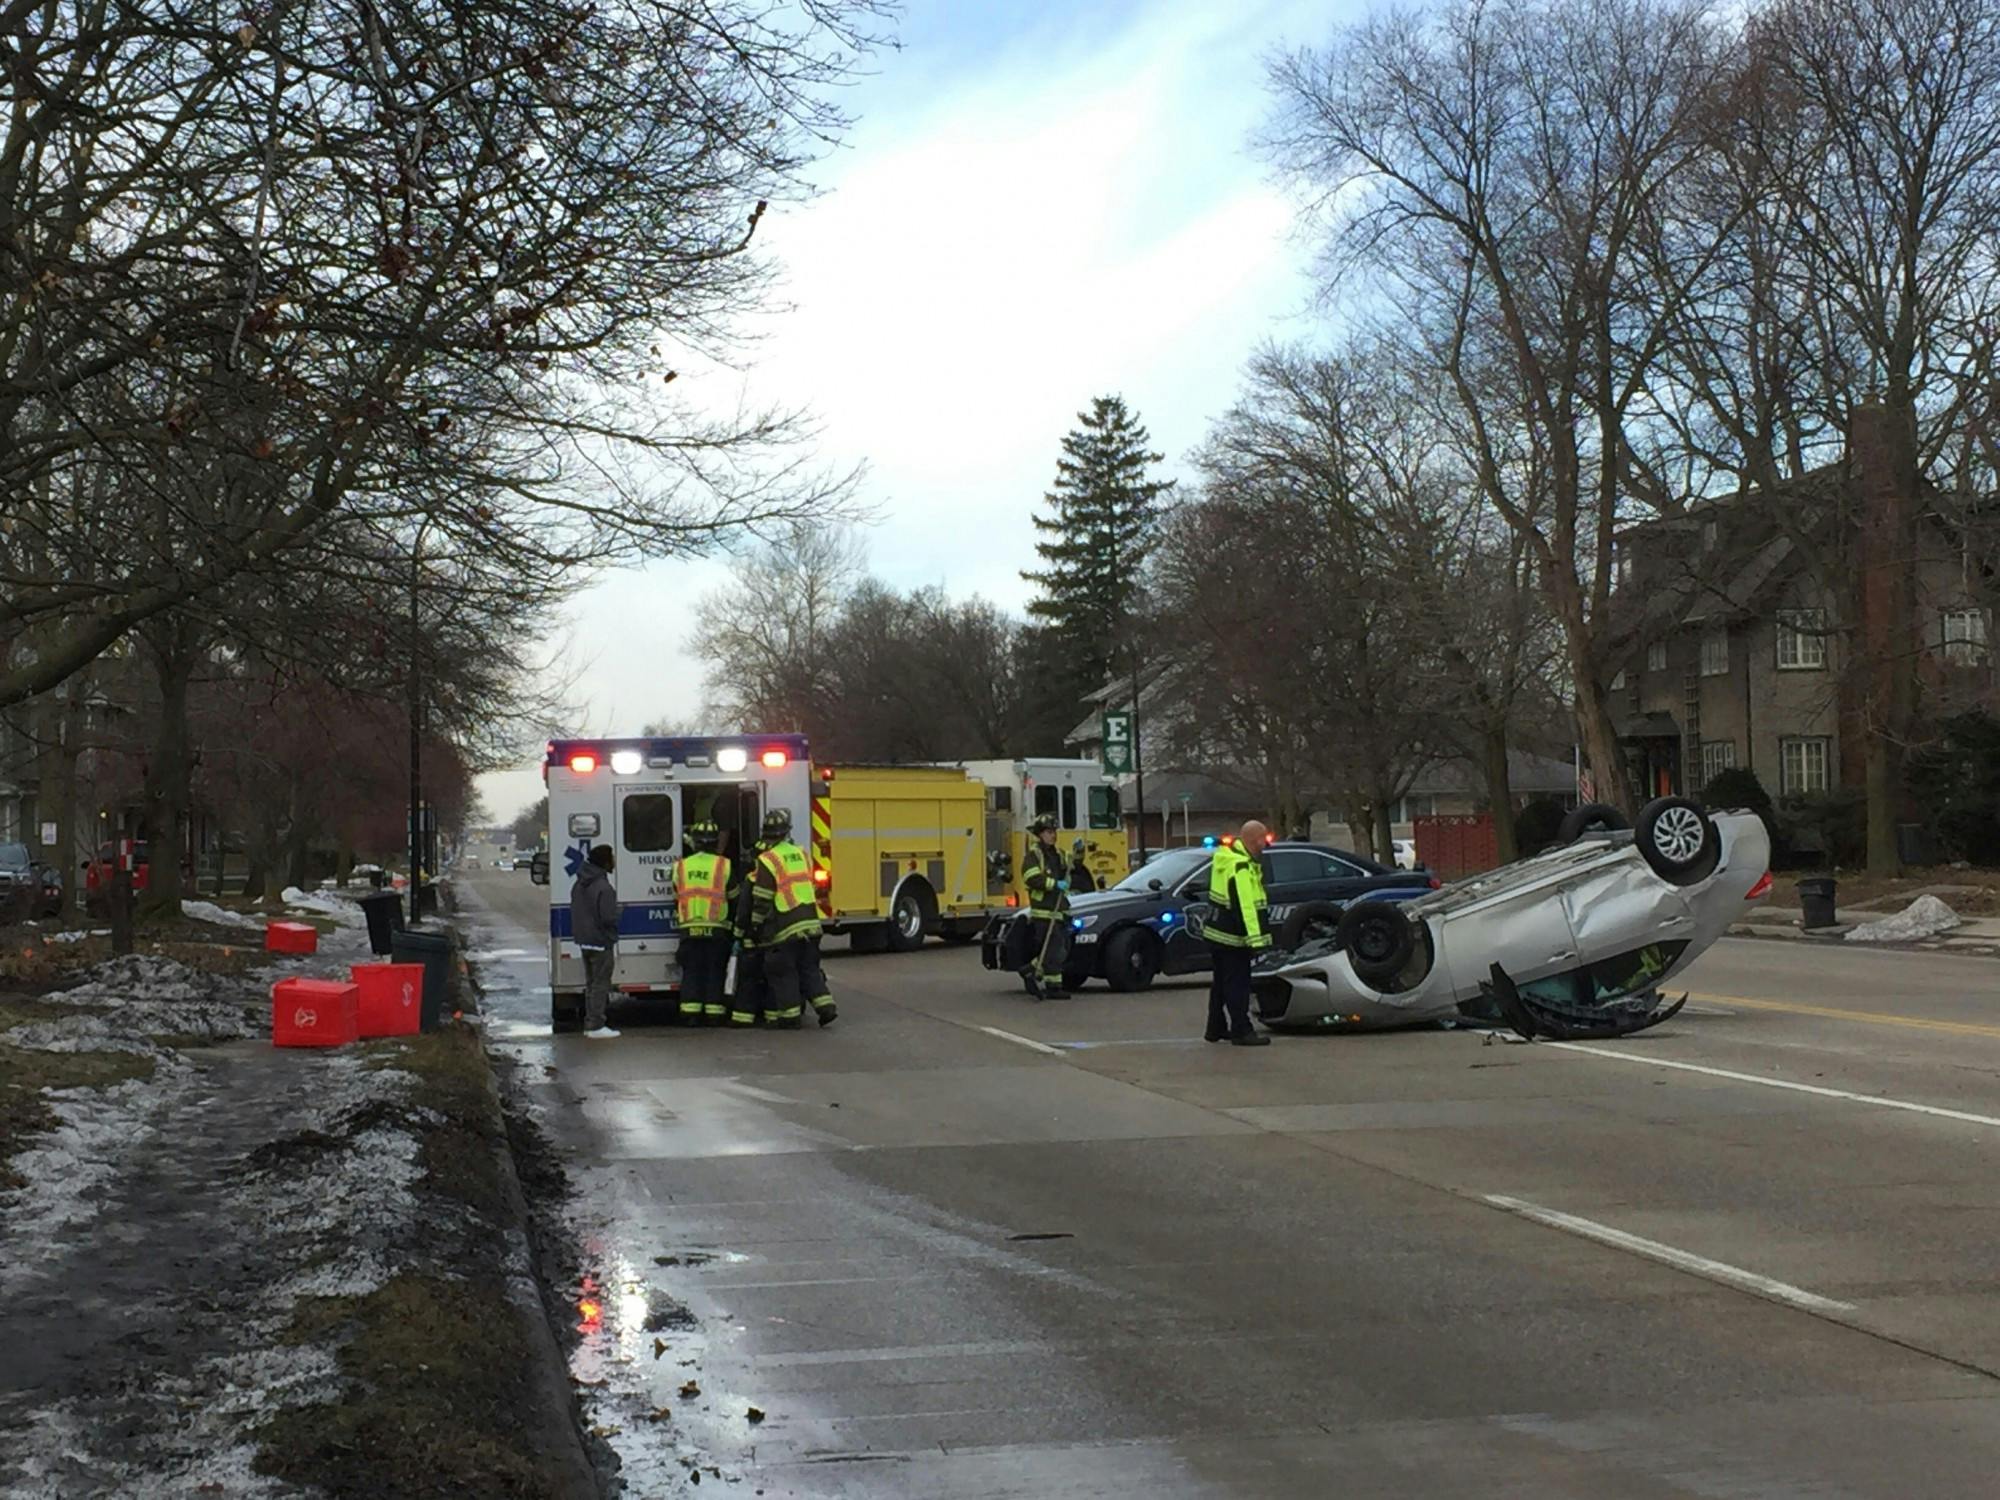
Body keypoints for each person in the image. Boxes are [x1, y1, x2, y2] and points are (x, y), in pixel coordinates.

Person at [745, 808, 832, 1029]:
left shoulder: (768, 859)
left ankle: (790, 1016)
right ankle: (826, 1007)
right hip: (811, 924)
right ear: (786, 832)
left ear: (766, 835)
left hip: (786, 926)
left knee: (783, 970)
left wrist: (755, 925)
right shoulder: (801, 853)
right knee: (809, 967)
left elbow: (763, 898)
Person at [1203, 821, 1272, 1046]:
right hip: (1234, 938)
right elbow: (1246, 907)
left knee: (1221, 984)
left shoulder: (1227, 859)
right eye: (1263, 839)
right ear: (1254, 840)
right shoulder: (1241, 867)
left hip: (1217, 933)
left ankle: (1215, 1027)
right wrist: (1255, 940)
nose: (1266, 844)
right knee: (1238, 985)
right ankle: (1241, 1030)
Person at [674, 821, 732, 1027]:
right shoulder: (724, 865)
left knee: (691, 972)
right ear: (716, 842)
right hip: (716, 929)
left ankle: (690, 1014)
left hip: (689, 929)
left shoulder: (681, 866)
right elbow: (733, 895)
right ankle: (714, 1013)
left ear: (694, 842)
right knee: (714, 971)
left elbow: (677, 893)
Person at [570, 843, 622, 1039]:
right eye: (612, 857)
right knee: (600, 984)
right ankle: (596, 1025)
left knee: (591, 983)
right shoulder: (604, 887)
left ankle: (590, 1022)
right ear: (605, 861)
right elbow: (608, 917)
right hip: (601, 941)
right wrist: (619, 912)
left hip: (585, 940)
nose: (614, 861)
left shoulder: (579, 884)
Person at [1018, 813, 1072, 1000]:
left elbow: (1071, 865)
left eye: (1054, 832)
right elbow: (1031, 877)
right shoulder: (1034, 855)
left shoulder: (1058, 854)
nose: (1053, 835)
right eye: (1049, 832)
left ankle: (1053, 985)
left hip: (1058, 910)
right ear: (1040, 834)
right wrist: (1054, 884)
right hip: (1043, 910)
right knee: (1053, 948)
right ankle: (1030, 970)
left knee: (1057, 949)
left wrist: (1078, 853)